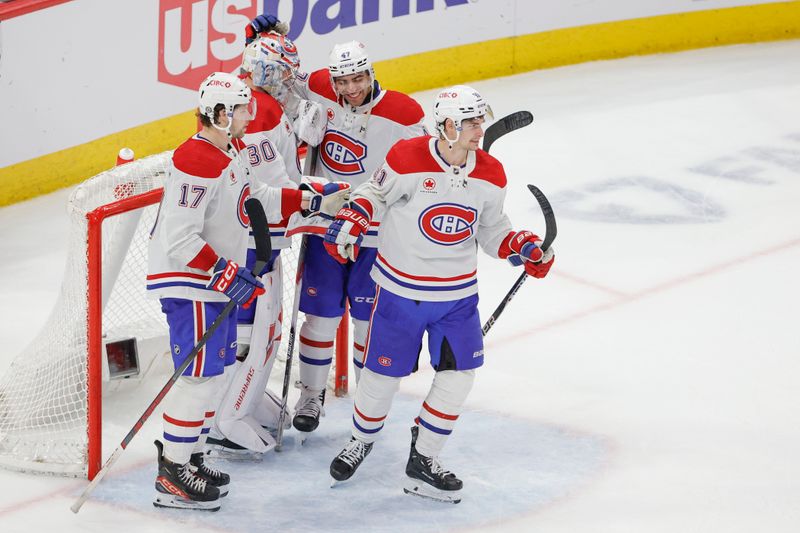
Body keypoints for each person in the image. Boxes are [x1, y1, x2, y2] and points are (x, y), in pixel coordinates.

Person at [324, 85, 555, 503]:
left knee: (458, 377)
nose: (479, 128)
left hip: (457, 298)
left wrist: (520, 244)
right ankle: (361, 440)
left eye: (479, 120)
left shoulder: (491, 172)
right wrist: (355, 217)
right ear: (447, 125)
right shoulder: (407, 157)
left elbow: (491, 229)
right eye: (471, 121)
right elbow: (373, 194)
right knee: (380, 378)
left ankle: (423, 458)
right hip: (398, 293)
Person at [146, 72, 348, 511]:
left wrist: (312, 200)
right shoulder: (196, 159)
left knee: (212, 377)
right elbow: (179, 240)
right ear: (219, 113)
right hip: (190, 285)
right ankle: (173, 474)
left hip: (209, 285)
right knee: (198, 380)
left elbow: (258, 197)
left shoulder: (226, 153)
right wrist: (222, 273)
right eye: (240, 108)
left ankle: (191, 459)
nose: (248, 114)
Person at [289, 36, 427, 437]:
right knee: (320, 318)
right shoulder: (317, 87)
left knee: (368, 323)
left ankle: (367, 405)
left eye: (359, 78)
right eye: (343, 81)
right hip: (324, 228)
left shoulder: (404, 113)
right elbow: (279, 81)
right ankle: (311, 395)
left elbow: (425, 165)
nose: (351, 89)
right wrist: (264, 40)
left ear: (372, 72)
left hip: (376, 235)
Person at [206, 28, 329, 459]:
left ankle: (243, 403)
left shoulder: (246, 99)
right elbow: (274, 189)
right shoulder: (257, 110)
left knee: (249, 333)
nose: (288, 81)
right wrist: (322, 200)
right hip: (254, 240)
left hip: (243, 235)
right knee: (262, 333)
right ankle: (229, 419)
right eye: (281, 73)